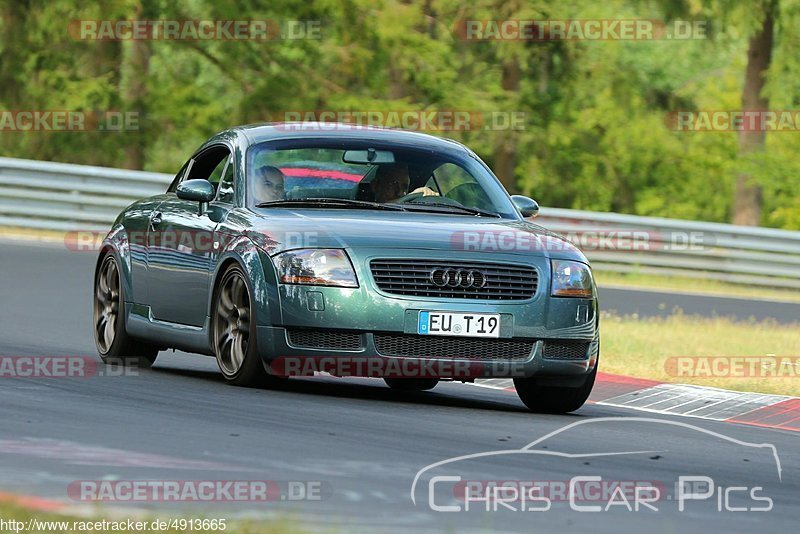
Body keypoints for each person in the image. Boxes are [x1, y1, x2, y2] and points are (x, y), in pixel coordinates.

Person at [371, 163, 439, 203]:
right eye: (394, 185)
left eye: (405, 187)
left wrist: (427, 196)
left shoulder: (412, 213)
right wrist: (410, 196)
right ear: (375, 186)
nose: (399, 193)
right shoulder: (362, 212)